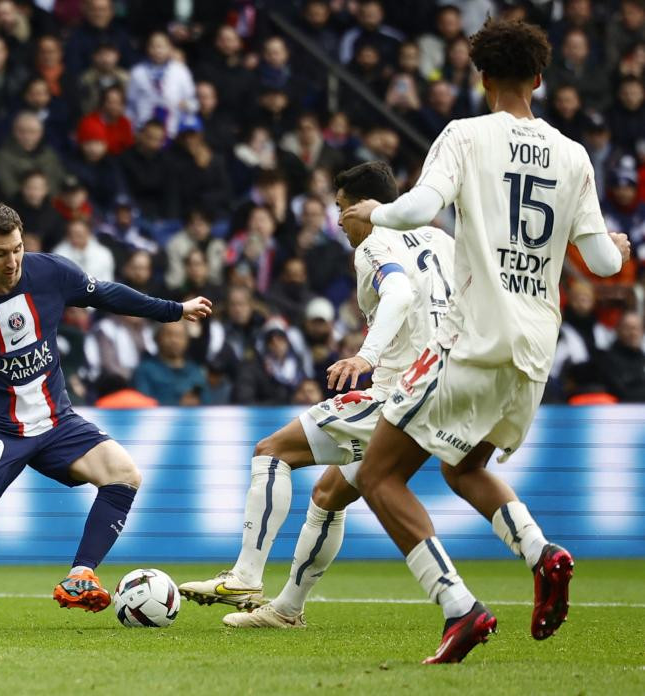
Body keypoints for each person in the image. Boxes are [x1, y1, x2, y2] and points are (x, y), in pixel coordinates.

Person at [340, 19, 630, 664]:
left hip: (472, 340)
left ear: (480, 76)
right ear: (539, 77)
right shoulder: (574, 154)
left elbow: (419, 208)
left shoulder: (465, 135)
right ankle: (544, 553)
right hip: (533, 355)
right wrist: (617, 246)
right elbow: (604, 267)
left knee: (377, 475)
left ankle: (459, 608)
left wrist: (372, 214)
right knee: (462, 466)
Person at [0, 203, 212, 630]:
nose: (13, 261)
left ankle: (81, 574)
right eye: (0, 253)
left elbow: (107, 294)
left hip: (57, 420)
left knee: (124, 473)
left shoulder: (52, 272)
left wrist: (174, 309)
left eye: (18, 249)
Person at [178, 161, 456, 630]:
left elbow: (400, 294)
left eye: (342, 208)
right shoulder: (442, 240)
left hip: (401, 391)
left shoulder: (374, 244)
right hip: (450, 388)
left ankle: (245, 575)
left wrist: (366, 357)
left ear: (367, 208)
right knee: (329, 494)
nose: (339, 220)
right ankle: (287, 610)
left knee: (271, 452)